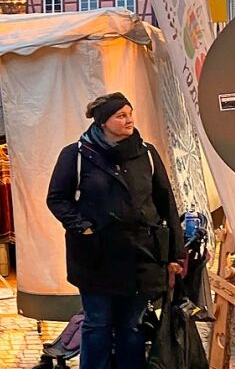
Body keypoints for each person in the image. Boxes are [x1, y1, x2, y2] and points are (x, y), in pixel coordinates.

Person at [47, 93, 184, 369]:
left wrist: (175, 254)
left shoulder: (147, 153)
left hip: (140, 256)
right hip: (96, 258)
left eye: (130, 113)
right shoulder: (76, 154)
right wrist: (82, 228)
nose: (129, 119)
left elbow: (165, 202)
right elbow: (57, 199)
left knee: (132, 325)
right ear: (103, 121)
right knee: (97, 323)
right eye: (120, 115)